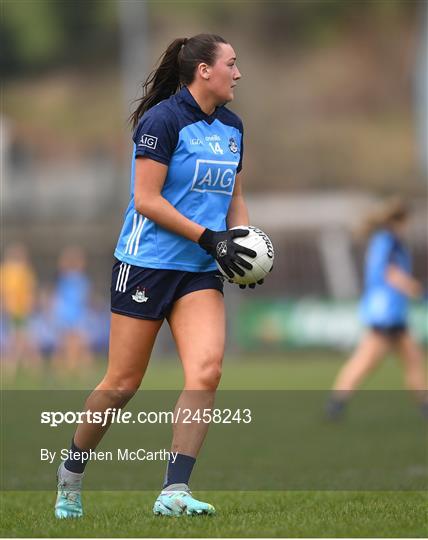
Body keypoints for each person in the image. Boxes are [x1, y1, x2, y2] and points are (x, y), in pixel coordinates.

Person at [55, 34, 261, 519]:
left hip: (197, 272)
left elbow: (234, 199)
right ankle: (71, 473)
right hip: (145, 264)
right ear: (204, 71)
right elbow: (147, 200)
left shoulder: (233, 127)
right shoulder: (162, 120)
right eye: (232, 63)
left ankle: (174, 492)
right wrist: (210, 238)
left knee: (206, 372)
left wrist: (246, 246)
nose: (238, 73)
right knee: (122, 384)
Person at [326, 197, 427, 419]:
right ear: (401, 220)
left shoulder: (382, 240)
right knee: (365, 361)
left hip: (391, 312)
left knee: (412, 357)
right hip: (386, 312)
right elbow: (390, 273)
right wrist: (415, 290)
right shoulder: (389, 241)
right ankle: (336, 404)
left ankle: (424, 405)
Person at [0, 243, 40, 376]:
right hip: (14, 311)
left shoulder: (23, 271)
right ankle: (22, 366)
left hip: (21, 310)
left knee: (21, 338)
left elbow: (30, 291)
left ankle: (19, 366)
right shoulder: (7, 271)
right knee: (19, 339)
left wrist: (29, 304)